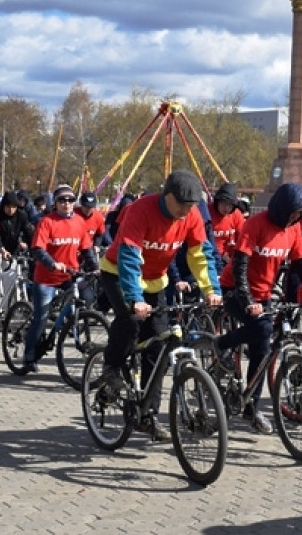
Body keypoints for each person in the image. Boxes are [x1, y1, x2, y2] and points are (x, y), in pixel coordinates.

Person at [99, 170, 222, 441]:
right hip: (118, 273)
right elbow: (129, 257)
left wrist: (211, 290)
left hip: (155, 281)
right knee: (131, 321)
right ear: (167, 196)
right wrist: (134, 299)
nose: (186, 211)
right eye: (182, 205)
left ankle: (147, 415)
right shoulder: (139, 210)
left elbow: (201, 255)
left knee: (159, 346)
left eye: (191, 206)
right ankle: (111, 367)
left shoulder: (191, 216)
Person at [216, 183, 302, 434]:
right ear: (282, 207)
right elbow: (240, 266)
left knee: (262, 352)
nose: (296, 218)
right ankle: (222, 343)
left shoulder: (295, 229)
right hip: (235, 289)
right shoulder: (255, 224)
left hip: (263, 294)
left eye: (301, 214)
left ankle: (251, 409)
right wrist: (246, 301)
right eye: (294, 212)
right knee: (263, 328)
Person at [22, 185, 98, 373]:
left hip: (70, 274)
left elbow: (87, 250)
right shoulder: (47, 222)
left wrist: (96, 268)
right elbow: (37, 249)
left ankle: (64, 333)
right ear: (55, 203)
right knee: (41, 317)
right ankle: (29, 356)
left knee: (83, 301)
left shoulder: (80, 222)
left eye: (70, 200)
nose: (66, 204)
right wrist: (52, 263)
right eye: (62, 200)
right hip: (47, 276)